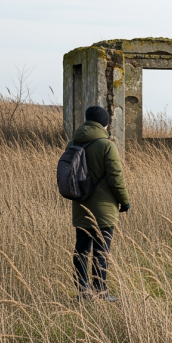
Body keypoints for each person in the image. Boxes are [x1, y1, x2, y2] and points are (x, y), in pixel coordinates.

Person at [67, 106, 130, 302]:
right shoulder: (106, 145)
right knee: (101, 251)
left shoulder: (74, 143)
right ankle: (101, 293)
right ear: (105, 124)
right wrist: (124, 202)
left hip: (81, 204)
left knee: (81, 250)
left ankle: (83, 292)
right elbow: (116, 178)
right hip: (103, 209)